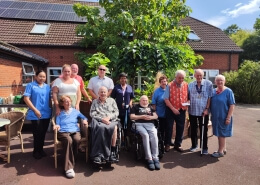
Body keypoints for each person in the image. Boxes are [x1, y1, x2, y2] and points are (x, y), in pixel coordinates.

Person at [53, 95, 88, 178]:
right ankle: (68, 168)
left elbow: (84, 117)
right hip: (63, 131)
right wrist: (57, 126)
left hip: (75, 130)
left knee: (76, 139)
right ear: (62, 104)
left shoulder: (75, 111)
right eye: (66, 101)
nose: (68, 103)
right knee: (69, 141)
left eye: (69, 101)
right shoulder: (60, 112)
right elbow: (57, 122)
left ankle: (72, 160)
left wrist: (85, 121)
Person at [23, 70, 52, 159]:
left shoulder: (47, 87)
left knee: (43, 133)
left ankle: (41, 149)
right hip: (35, 113)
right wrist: (35, 110)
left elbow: (50, 99)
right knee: (37, 133)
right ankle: (36, 151)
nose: (42, 78)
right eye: (40, 76)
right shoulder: (30, 86)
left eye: (44, 77)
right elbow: (26, 99)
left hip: (46, 113)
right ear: (36, 76)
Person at [90, 86, 119, 164]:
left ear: (107, 93)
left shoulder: (112, 101)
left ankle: (112, 151)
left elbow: (116, 112)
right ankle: (98, 155)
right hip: (99, 121)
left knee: (114, 128)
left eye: (104, 92)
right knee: (100, 128)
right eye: (101, 92)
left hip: (110, 120)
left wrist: (109, 117)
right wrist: (102, 119)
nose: (103, 93)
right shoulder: (95, 102)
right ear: (98, 93)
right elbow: (92, 113)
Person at [130, 95, 160, 171]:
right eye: (143, 100)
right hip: (139, 124)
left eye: (146, 100)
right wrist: (142, 117)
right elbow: (132, 116)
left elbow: (156, 116)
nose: (145, 101)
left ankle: (155, 157)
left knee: (154, 135)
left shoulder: (150, 107)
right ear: (140, 101)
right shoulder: (135, 107)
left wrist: (151, 117)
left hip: (150, 124)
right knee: (145, 135)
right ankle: (149, 158)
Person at [188, 69, 213, 155]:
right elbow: (187, 97)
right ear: (194, 76)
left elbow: (209, 97)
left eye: (200, 75)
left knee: (203, 130)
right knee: (193, 129)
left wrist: (207, 109)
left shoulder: (208, 84)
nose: (199, 77)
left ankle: (204, 147)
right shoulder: (190, 85)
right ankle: (194, 145)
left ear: (203, 75)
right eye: (197, 75)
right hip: (192, 110)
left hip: (203, 111)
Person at [163, 70, 189, 152]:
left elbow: (188, 97)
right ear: (175, 77)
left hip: (181, 110)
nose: (181, 79)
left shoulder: (186, 85)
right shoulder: (169, 85)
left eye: (182, 78)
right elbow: (166, 99)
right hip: (171, 109)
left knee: (180, 127)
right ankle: (167, 144)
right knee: (169, 127)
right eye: (179, 78)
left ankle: (178, 144)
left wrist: (188, 102)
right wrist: (173, 109)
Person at [210, 74, 235, 158]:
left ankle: (220, 152)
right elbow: (210, 103)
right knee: (219, 133)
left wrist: (228, 117)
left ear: (224, 81)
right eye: (218, 80)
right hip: (215, 117)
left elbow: (232, 105)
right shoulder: (213, 91)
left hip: (224, 117)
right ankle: (223, 149)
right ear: (215, 82)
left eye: (221, 80)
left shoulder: (228, 91)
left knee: (221, 134)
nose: (219, 82)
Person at [151, 75, 168, 146]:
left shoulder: (169, 89)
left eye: (165, 81)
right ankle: (161, 142)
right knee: (161, 129)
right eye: (162, 82)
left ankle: (167, 141)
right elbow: (154, 103)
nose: (164, 83)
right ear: (160, 83)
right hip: (160, 114)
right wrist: (155, 113)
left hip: (168, 113)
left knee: (168, 128)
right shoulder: (157, 92)